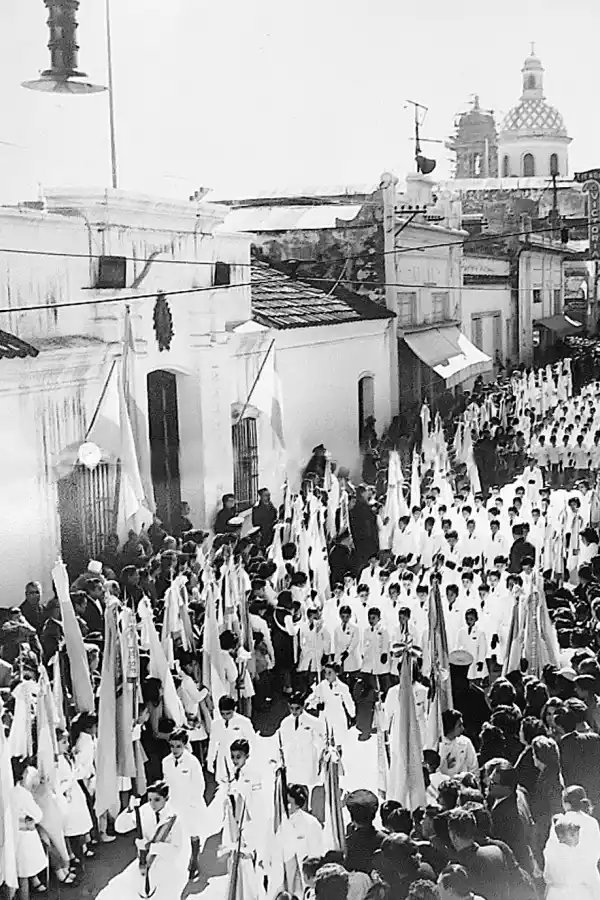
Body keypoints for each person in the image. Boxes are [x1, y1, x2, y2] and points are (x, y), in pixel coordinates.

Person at [162, 728, 207, 880]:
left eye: (178, 746)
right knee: (173, 835)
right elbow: (166, 784)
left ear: (185, 745)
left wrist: (192, 803)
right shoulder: (166, 762)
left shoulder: (192, 762)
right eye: (172, 746)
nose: (175, 750)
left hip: (190, 804)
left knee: (193, 833)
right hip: (174, 804)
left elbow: (199, 785)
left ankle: (194, 861)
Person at [278, 692, 325, 807]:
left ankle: (307, 808)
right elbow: (280, 742)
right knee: (293, 787)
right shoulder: (285, 723)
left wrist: (320, 757)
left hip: (307, 759)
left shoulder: (313, 722)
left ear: (303, 707)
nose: (294, 712)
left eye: (297, 708)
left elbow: (322, 739)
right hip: (292, 759)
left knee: (307, 786)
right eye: (291, 708)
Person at [11, 759, 49, 900]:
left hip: (11, 834)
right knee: (24, 874)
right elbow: (38, 815)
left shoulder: (6, 792)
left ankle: (34, 883)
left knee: (18, 871)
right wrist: (30, 820)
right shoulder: (22, 794)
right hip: (23, 838)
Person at [543, 813, 600, 900]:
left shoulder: (550, 852)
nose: (577, 838)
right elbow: (590, 878)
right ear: (561, 837)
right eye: (572, 835)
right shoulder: (578, 855)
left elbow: (548, 879)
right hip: (575, 894)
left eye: (577, 834)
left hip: (555, 894)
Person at [206, 695, 255, 784]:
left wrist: (249, 761)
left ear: (234, 709)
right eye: (222, 714)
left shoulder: (244, 722)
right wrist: (210, 761)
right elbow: (213, 743)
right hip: (222, 760)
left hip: (239, 759)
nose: (225, 716)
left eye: (228, 713)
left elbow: (252, 742)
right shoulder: (216, 724)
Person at [439, 710, 478, 778]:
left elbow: (474, 767)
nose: (462, 729)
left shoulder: (465, 742)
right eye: (459, 726)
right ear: (450, 727)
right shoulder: (438, 745)